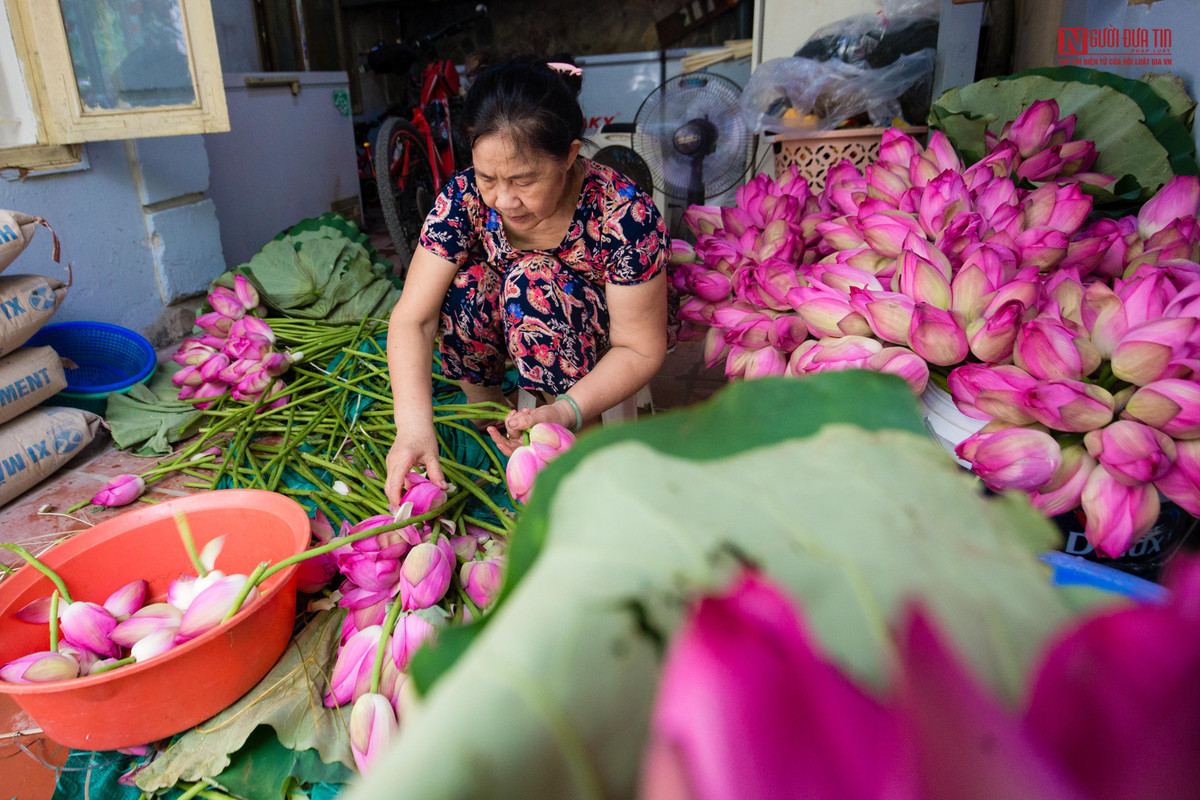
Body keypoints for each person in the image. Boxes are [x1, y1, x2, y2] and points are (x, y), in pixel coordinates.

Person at [384, 56, 671, 507]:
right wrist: (413, 428)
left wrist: (566, 410)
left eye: (523, 180)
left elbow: (640, 346)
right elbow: (413, 319)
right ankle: (491, 420)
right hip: (512, 323)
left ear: (570, 155)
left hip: (595, 345)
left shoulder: (624, 216)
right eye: (487, 177)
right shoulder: (463, 198)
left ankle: (573, 450)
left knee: (534, 280)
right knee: (462, 284)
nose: (502, 199)